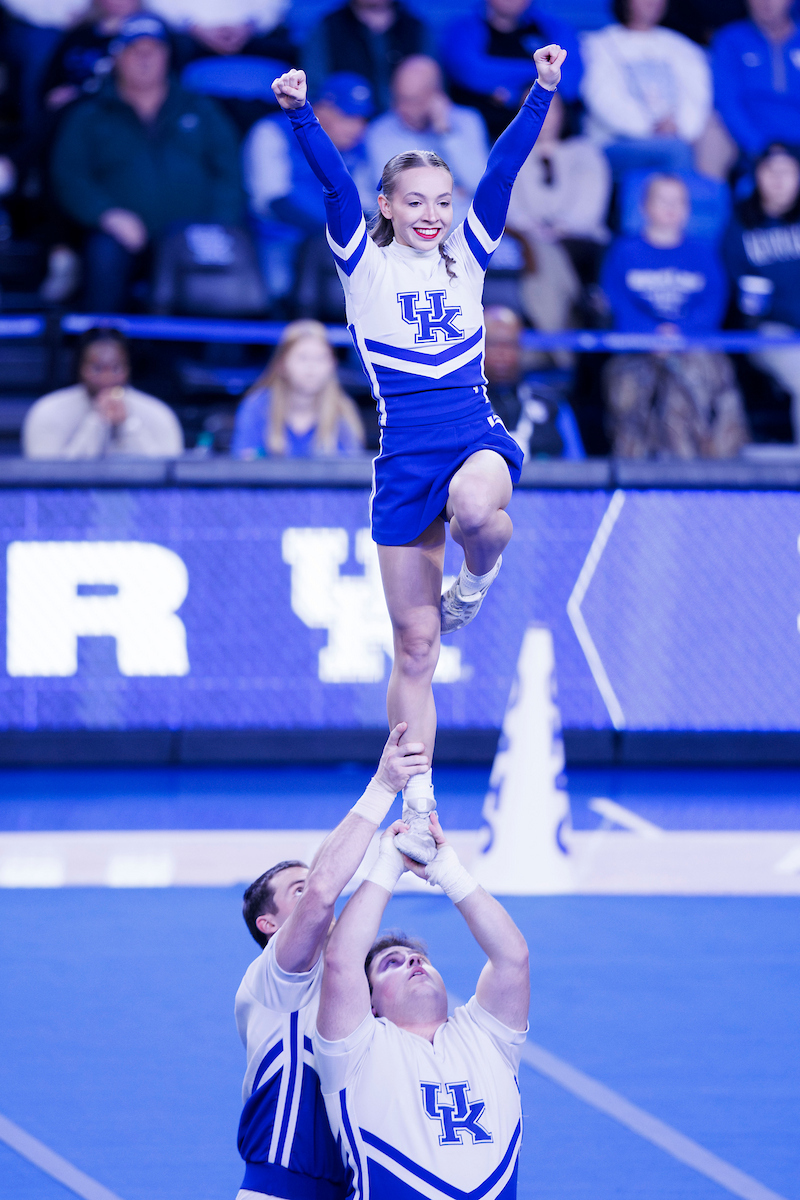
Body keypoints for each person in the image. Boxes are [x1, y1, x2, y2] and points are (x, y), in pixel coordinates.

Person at [271, 44, 565, 862]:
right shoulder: (362, 265)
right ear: (389, 206)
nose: (433, 213)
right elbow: (334, 186)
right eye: (416, 201)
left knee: (478, 510)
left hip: (474, 434)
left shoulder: (466, 256)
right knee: (415, 649)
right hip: (402, 461)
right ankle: (420, 799)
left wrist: (541, 90)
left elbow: (502, 173)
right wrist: (300, 112)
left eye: (442, 200)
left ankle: (476, 578)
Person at [235, 723, 428, 1200]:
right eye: (296, 892)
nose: (316, 894)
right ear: (269, 924)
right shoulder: (274, 980)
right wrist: (382, 787)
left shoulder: (354, 977)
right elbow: (323, 889)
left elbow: (324, 878)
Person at [313, 811, 529, 1198]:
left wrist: (450, 873)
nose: (413, 960)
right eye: (391, 964)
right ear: (369, 1002)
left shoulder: (487, 1037)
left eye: (420, 959)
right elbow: (342, 959)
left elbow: (512, 959)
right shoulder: (356, 1052)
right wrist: (388, 866)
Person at [50, 12, 242, 312]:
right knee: (104, 252)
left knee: (216, 257)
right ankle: (102, 336)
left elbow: (229, 174)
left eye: (153, 50)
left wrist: (217, 223)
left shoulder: (202, 109)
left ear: (167, 56)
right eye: (134, 50)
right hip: (122, 235)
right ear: (117, 58)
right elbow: (69, 176)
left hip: (192, 234)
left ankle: (208, 343)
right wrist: (106, 214)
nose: (144, 59)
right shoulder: (89, 114)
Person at [601, 173, 750, 457]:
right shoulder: (624, 252)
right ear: (645, 207)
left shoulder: (703, 253)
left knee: (699, 380)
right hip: (636, 347)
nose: (671, 208)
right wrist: (650, 335)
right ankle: (635, 464)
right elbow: (616, 302)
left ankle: (704, 462)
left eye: (678, 202)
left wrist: (680, 334)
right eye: (663, 200)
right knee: (628, 388)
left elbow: (713, 302)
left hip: (693, 345)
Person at [244, 73, 374, 303]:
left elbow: (364, 203)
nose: (357, 128)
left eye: (361, 119)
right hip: (280, 236)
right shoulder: (273, 130)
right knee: (277, 290)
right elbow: (275, 200)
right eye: (347, 116)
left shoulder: (357, 148)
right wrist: (331, 230)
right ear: (322, 109)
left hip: (334, 240)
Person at [505, 90, 610, 331]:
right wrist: (534, 229)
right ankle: (562, 326)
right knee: (540, 252)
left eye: (550, 107)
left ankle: (551, 333)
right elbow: (507, 205)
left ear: (563, 113)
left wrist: (561, 228)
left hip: (580, 240)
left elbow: (590, 206)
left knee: (548, 255)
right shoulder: (509, 154)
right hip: (528, 240)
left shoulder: (585, 152)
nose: (543, 114)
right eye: (533, 106)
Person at [581, 0, 712, 177]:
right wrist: (651, 128)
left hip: (676, 137)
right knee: (676, 152)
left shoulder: (684, 47)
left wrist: (680, 127)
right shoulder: (598, 44)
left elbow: (697, 98)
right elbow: (602, 100)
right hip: (614, 141)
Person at [724, 144, 800, 439]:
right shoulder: (740, 225)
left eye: (787, 172)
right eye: (771, 171)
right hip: (770, 330)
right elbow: (747, 301)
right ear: (757, 175)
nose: (779, 180)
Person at [364, 56, 490, 225]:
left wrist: (445, 132)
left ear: (435, 95)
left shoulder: (468, 121)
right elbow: (392, 194)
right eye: (398, 98)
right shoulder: (379, 132)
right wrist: (455, 193)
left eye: (412, 100)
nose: (402, 108)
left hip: (464, 229)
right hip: (408, 231)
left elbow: (478, 184)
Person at [22, 326, 184, 457]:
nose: (107, 378)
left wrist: (128, 425)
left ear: (128, 368)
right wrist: (97, 422)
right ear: (80, 368)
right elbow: (48, 477)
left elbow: (167, 476)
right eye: (97, 368)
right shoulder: (48, 411)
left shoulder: (158, 413)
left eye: (116, 368)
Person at [440, 0, 580, 141]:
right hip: (484, 134)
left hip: (548, 138)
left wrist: (515, 94)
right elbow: (470, 72)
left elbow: (569, 77)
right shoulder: (464, 28)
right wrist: (540, 74)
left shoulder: (549, 26)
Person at [231, 319, 366, 458]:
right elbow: (244, 463)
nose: (312, 367)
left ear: (333, 365)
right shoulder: (256, 408)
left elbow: (352, 468)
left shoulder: (343, 411)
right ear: (281, 364)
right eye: (303, 358)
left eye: (320, 358)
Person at [484, 306, 585, 457]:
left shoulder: (552, 403)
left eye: (510, 344)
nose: (502, 354)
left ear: (521, 348)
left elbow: (577, 463)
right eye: (492, 344)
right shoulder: (464, 406)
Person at [302, 0, 433, 115]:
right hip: (347, 123)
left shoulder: (416, 28)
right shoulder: (328, 27)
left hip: (405, 122)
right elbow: (315, 90)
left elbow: (432, 88)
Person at [712, 0, 800, 161]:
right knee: (713, 127)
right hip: (751, 143)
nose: (766, 2)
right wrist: (760, 146)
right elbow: (728, 101)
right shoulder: (731, 39)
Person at [41, 0, 143, 112]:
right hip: (74, 114)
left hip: (120, 113)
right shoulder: (77, 36)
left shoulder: (147, 39)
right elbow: (49, 87)